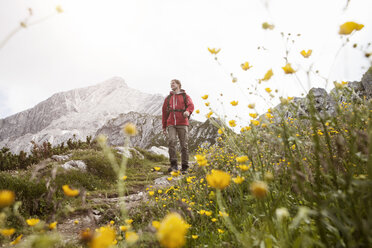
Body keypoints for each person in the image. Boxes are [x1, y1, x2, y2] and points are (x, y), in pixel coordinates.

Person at [162, 79, 194, 173]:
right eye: (170, 83)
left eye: (173, 83)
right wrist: (164, 126)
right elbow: (164, 113)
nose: (171, 84)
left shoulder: (185, 96)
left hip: (183, 123)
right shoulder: (168, 98)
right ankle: (174, 165)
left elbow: (191, 105)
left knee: (184, 145)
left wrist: (188, 111)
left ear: (179, 85)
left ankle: (185, 166)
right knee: (171, 142)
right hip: (171, 123)